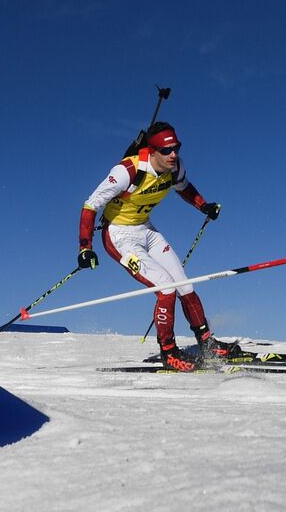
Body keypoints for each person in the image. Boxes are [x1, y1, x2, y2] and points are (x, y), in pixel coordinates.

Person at [78, 122, 238, 371]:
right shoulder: (128, 170)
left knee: (184, 285)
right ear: (152, 151)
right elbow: (90, 205)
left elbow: (184, 188)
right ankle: (169, 352)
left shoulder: (175, 168)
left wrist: (203, 206)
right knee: (165, 287)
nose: (173, 154)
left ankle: (207, 344)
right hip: (120, 236)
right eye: (167, 150)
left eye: (176, 148)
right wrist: (85, 247)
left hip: (147, 230)